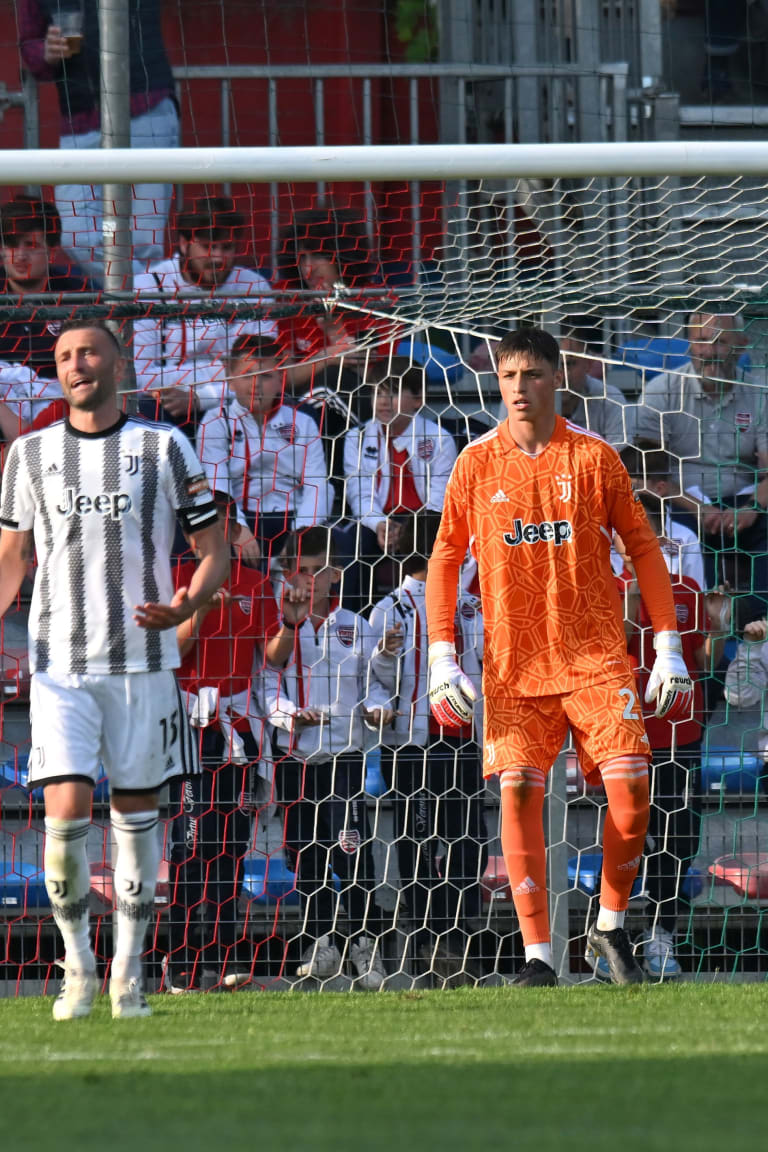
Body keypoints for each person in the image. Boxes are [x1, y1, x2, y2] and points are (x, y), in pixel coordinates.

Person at [425, 326, 693, 986]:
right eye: (509, 376)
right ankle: (539, 955)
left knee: (633, 789)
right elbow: (444, 559)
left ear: (557, 377)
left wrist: (666, 646)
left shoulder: (596, 457)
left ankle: (608, 927)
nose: (519, 388)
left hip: (597, 655)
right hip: (514, 664)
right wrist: (440, 656)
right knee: (516, 795)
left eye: (533, 375)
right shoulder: (474, 463)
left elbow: (644, 549)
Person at [0, 318, 230, 1019]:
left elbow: (214, 549)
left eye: (90, 351)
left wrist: (191, 600)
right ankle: (78, 968)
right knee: (63, 811)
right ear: (58, 370)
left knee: (137, 816)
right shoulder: (30, 454)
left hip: (145, 665)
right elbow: (11, 555)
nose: (77, 364)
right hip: (59, 665)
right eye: (65, 355)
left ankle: (128, 975)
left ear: (118, 361)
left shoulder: (164, 447)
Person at [166, 492, 296, 993]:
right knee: (190, 844)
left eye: (220, 523)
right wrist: (199, 609)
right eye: (200, 525)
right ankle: (179, 960)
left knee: (231, 848)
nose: (210, 533)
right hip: (193, 727)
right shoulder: (177, 576)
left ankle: (222, 959)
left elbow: (275, 657)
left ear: (229, 526)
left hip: (237, 728)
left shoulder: (257, 583)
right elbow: (172, 653)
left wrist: (289, 621)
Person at [263, 526, 390, 989]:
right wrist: (288, 717)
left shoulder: (356, 625)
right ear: (289, 574)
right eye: (303, 571)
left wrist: (379, 708)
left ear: (336, 576)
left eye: (320, 571)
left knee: (352, 849)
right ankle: (318, 943)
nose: (311, 581)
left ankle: (363, 943)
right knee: (306, 854)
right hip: (298, 760)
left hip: (345, 755)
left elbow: (374, 682)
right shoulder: (283, 626)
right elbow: (266, 682)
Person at [368, 511, 488, 985]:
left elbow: (485, 664)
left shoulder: (469, 607)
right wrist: (384, 658)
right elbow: (373, 684)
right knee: (417, 844)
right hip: (412, 747)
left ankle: (458, 936)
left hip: (460, 741)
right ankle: (424, 942)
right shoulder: (389, 609)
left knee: (468, 842)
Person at [615, 491, 730, 979]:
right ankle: (615, 934)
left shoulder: (685, 588)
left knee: (677, 839)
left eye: (650, 528)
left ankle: (661, 933)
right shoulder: (607, 584)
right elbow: (616, 638)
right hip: (625, 734)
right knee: (629, 837)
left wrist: (721, 626)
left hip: (682, 732)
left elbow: (703, 662)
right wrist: (631, 588)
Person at [19, 0, 180, 284]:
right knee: (76, 236)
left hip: (146, 107)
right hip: (80, 120)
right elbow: (30, 45)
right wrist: (45, 52)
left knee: (144, 241)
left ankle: (137, 317)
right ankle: (146, 300)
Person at [630, 310, 768, 626]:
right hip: (680, 503)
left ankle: (754, 620)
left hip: (742, 504)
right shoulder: (662, 391)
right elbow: (642, 471)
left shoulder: (759, 392)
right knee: (681, 537)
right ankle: (700, 628)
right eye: (701, 341)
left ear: (742, 345)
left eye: (720, 342)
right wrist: (695, 506)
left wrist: (752, 508)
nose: (709, 352)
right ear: (688, 345)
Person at [133, 196, 277, 431]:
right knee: (148, 411)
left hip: (234, 405)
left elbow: (263, 374)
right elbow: (137, 378)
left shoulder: (255, 287)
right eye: (208, 247)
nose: (218, 258)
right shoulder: (149, 286)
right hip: (165, 405)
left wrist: (199, 397)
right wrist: (223, 369)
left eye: (227, 248)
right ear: (184, 243)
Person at [195, 335, 332, 570]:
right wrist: (236, 527)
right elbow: (215, 483)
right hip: (238, 518)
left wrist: (300, 537)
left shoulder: (303, 423)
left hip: (291, 518)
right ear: (230, 378)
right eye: (247, 375)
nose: (256, 384)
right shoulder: (215, 421)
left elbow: (317, 485)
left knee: (331, 543)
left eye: (266, 376)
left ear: (281, 379)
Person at [343, 363, 457, 603]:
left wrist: (408, 530)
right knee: (352, 543)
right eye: (378, 393)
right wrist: (379, 524)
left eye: (392, 393)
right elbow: (359, 495)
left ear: (417, 400)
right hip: (376, 520)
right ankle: (357, 620)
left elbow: (440, 500)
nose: (383, 401)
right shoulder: (357, 437)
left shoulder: (439, 438)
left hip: (424, 520)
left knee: (430, 540)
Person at [0, 197, 92, 381]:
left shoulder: (77, 295)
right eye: (11, 245)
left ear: (52, 251)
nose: (20, 256)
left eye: (31, 245)